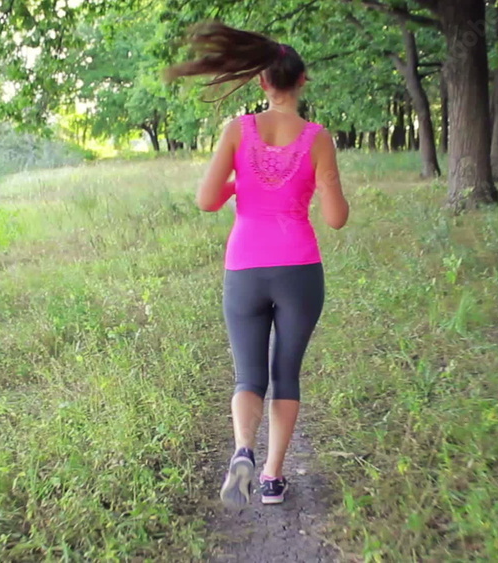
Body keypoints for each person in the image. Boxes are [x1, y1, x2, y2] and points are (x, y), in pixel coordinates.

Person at [165, 22, 350, 508]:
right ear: (302, 81)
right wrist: (320, 186)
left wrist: (239, 187)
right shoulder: (317, 138)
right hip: (299, 269)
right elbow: (336, 218)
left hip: (245, 267)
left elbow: (206, 201)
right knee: (286, 373)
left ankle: (243, 449)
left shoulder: (237, 130)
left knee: (248, 376)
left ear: (262, 81)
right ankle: (271, 478)